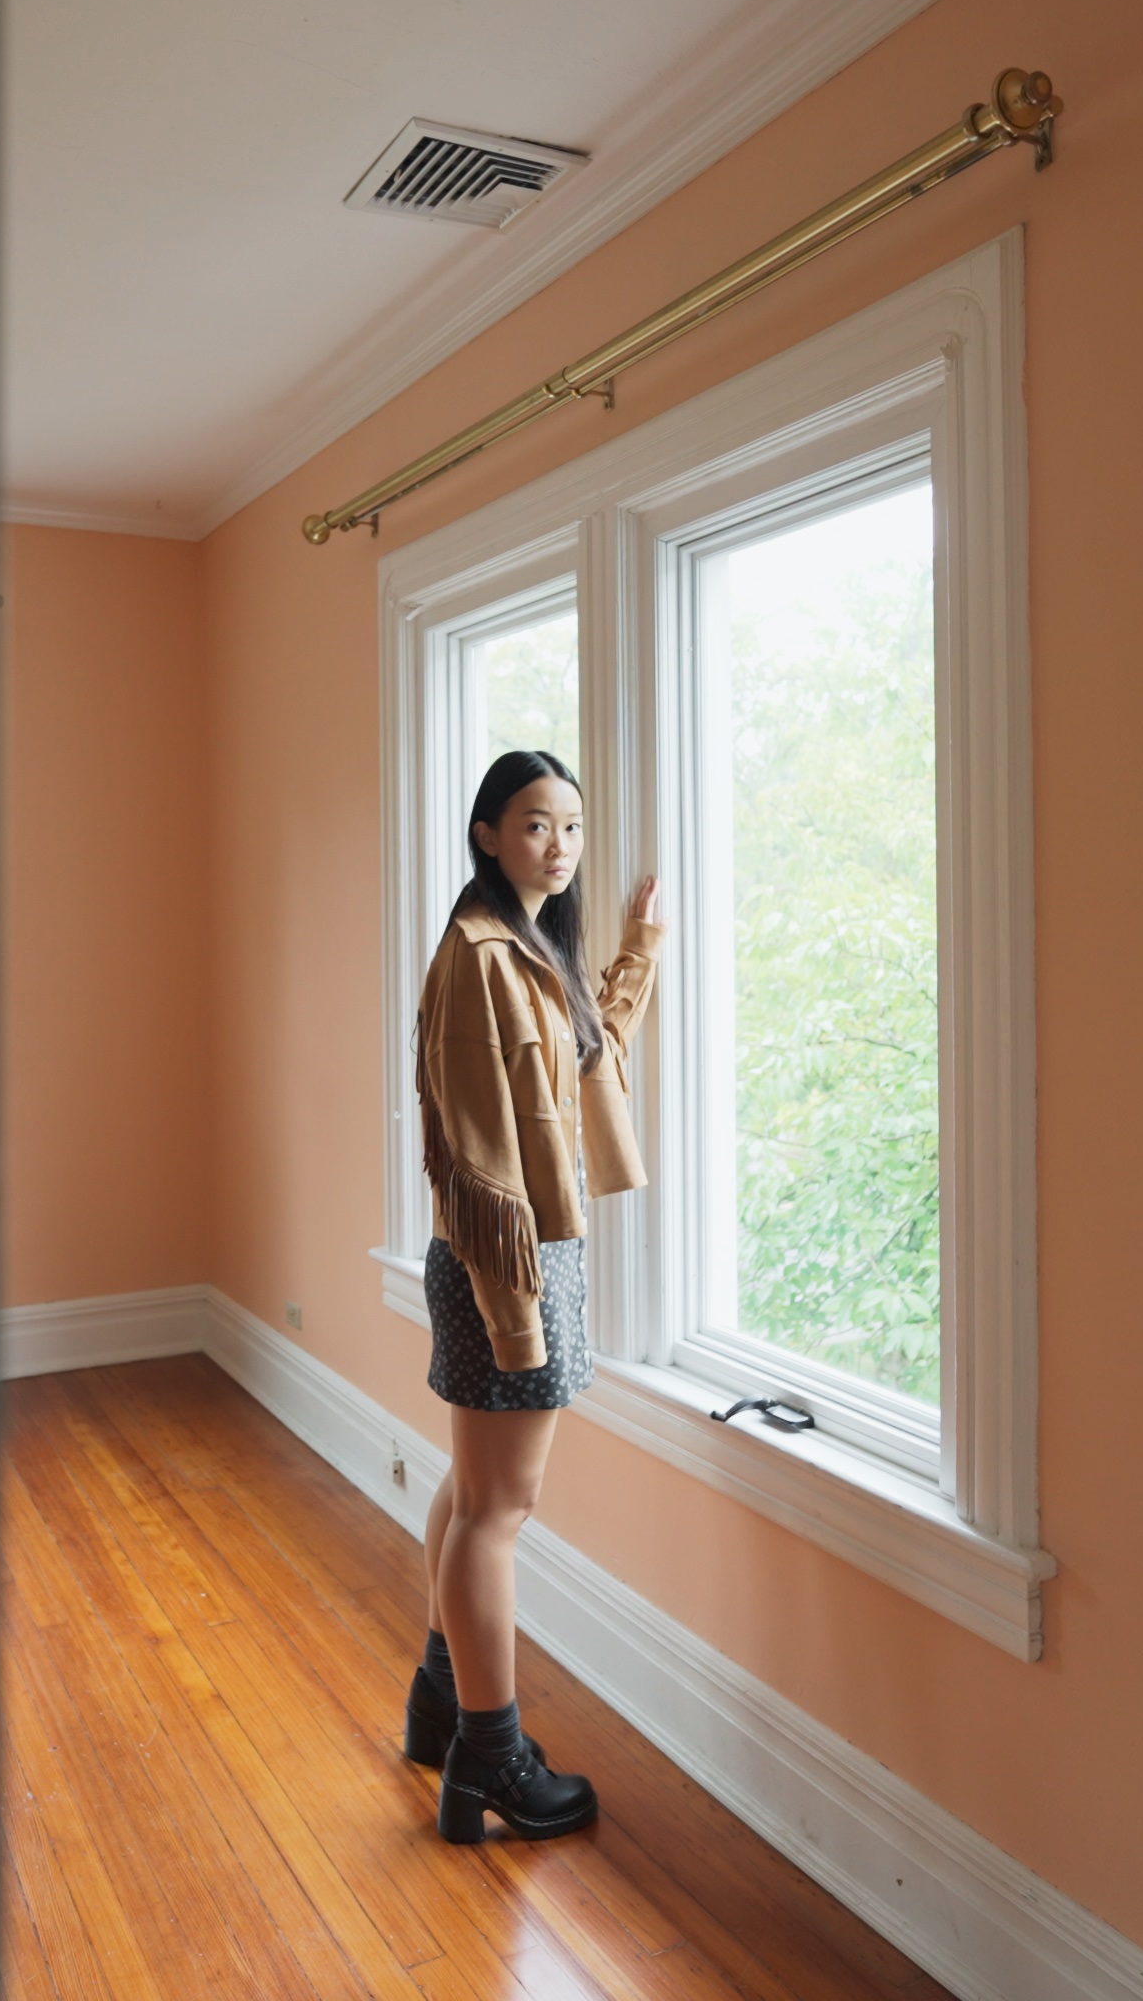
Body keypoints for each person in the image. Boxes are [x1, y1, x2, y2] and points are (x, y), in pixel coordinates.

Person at [399, 748, 665, 1845]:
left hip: (523, 1261)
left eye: (573, 826)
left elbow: (577, 1069)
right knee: (500, 1512)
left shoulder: (529, 951)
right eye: (536, 824)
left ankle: (440, 1700)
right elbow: (476, 1162)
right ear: (487, 834)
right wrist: (517, 1315)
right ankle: (491, 1755)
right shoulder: (475, 956)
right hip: (505, 1262)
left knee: (474, 1495)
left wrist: (639, 952)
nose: (559, 844)